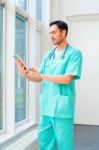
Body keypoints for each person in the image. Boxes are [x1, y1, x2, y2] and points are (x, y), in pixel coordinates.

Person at [16, 20, 83, 150]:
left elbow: (67, 79)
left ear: (63, 32)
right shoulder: (48, 55)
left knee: (65, 144)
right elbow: (38, 77)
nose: (51, 36)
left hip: (62, 109)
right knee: (45, 142)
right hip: (47, 107)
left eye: (54, 32)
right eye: (49, 33)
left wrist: (41, 75)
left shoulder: (75, 54)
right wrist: (24, 74)